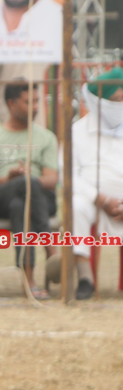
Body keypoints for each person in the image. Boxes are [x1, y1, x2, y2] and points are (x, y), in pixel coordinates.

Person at [0, 79, 58, 298]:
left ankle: (28, 280)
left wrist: (28, 181)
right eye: (28, 102)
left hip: (40, 200)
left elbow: (52, 180)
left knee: (20, 204)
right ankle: (51, 250)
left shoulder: (46, 137)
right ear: (11, 104)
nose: (35, 107)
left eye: (37, 101)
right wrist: (7, 179)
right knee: (24, 184)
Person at [69, 68, 123, 301]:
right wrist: (100, 198)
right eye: (115, 100)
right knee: (76, 206)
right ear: (98, 102)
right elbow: (69, 175)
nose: (120, 105)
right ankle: (85, 279)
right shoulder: (78, 131)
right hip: (92, 200)